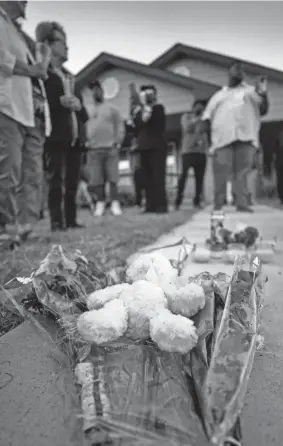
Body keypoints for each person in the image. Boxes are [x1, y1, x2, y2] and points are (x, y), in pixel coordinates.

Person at [0, 1, 50, 241]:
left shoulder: (17, 32)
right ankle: (3, 228)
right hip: (5, 105)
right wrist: (33, 71)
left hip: (26, 110)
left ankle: (22, 228)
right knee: (7, 169)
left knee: (25, 172)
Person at [36, 21, 88, 231]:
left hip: (74, 136)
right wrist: (59, 102)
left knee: (73, 180)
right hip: (55, 135)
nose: (67, 47)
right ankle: (57, 222)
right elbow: (40, 103)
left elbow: (83, 114)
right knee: (56, 178)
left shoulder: (69, 76)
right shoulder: (44, 73)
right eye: (62, 42)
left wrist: (78, 105)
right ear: (48, 44)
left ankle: (71, 219)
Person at [201, 61, 269, 212]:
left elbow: (263, 109)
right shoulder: (218, 96)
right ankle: (218, 203)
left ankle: (242, 203)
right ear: (229, 73)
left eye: (240, 70)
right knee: (221, 172)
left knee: (242, 172)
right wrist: (207, 139)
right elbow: (206, 116)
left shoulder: (251, 92)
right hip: (221, 140)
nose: (237, 73)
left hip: (246, 137)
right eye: (234, 70)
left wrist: (263, 93)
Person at [85, 80, 125, 217]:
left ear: (102, 91)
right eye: (93, 90)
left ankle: (115, 204)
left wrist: (118, 142)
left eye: (98, 89)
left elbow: (120, 126)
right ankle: (100, 204)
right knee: (97, 178)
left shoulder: (113, 109)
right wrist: (85, 141)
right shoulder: (88, 110)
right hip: (93, 149)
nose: (96, 92)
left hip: (110, 148)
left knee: (113, 177)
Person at [133, 85, 168, 213]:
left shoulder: (159, 108)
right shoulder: (138, 111)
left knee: (158, 176)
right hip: (143, 147)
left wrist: (148, 108)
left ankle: (161, 206)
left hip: (157, 147)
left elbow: (158, 124)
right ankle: (149, 205)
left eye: (149, 94)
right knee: (145, 177)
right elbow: (137, 126)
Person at [175, 100, 208, 210]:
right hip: (188, 152)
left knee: (199, 178)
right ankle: (178, 201)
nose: (200, 110)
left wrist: (202, 118)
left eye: (202, 108)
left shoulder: (204, 119)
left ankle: (197, 201)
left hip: (201, 152)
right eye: (198, 108)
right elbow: (187, 128)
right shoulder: (186, 117)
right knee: (183, 177)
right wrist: (197, 118)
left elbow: (204, 129)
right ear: (193, 107)